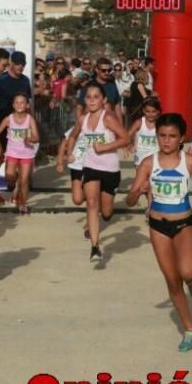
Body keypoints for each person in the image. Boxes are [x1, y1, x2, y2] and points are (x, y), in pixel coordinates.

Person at [125, 113, 192, 352]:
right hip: (158, 226)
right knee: (172, 280)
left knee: (187, 271)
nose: (166, 141)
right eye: (162, 136)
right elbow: (129, 200)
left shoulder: (189, 161)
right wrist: (138, 192)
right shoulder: (148, 163)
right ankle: (191, 330)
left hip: (183, 224)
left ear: (181, 138)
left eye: (172, 136)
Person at [66, 81, 130, 264]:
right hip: (90, 166)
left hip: (110, 168)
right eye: (88, 97)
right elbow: (73, 136)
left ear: (103, 100)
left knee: (107, 211)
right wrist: (70, 153)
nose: (92, 100)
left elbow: (125, 138)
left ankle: (106, 212)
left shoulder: (108, 117)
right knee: (92, 203)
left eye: (96, 97)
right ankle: (95, 247)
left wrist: (105, 146)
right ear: (84, 100)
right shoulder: (82, 119)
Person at [0, 93, 40, 214]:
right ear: (13, 105)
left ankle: (23, 203)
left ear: (27, 105)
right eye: (17, 102)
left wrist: (29, 139)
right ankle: (16, 186)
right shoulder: (8, 119)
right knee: (10, 175)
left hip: (26, 153)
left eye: (22, 103)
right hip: (12, 152)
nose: (20, 105)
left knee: (24, 180)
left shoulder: (30, 119)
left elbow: (37, 137)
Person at [0, 50, 32, 134]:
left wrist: (31, 123)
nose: (20, 66)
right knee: (2, 146)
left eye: (23, 64)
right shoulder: (1, 79)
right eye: (17, 63)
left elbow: (28, 104)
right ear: (11, 63)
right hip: (1, 122)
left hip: (20, 124)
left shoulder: (26, 80)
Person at [56, 123, 89, 211]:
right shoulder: (79, 126)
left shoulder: (103, 126)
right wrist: (60, 162)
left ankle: (90, 220)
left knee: (92, 198)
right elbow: (64, 142)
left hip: (93, 166)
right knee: (77, 200)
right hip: (77, 166)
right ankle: (91, 194)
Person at [127, 96, 161, 169]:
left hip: (155, 156)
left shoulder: (160, 123)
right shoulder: (139, 122)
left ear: (158, 111)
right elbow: (127, 135)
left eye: (153, 111)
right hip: (140, 156)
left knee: (153, 179)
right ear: (143, 110)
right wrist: (129, 146)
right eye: (148, 111)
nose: (150, 114)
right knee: (140, 179)